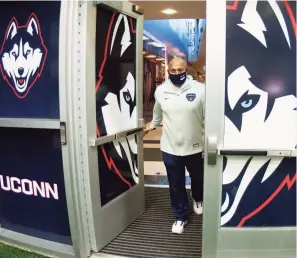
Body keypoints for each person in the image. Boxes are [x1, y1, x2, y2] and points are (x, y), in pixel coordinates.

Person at [145, 57, 205, 234]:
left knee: (198, 179)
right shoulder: (161, 91)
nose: (177, 73)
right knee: (175, 184)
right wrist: (151, 126)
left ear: (186, 70)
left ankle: (198, 198)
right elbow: (157, 113)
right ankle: (180, 216)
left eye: (180, 70)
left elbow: (209, 116)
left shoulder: (200, 90)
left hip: (195, 147)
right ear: (168, 71)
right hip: (170, 148)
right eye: (173, 70)